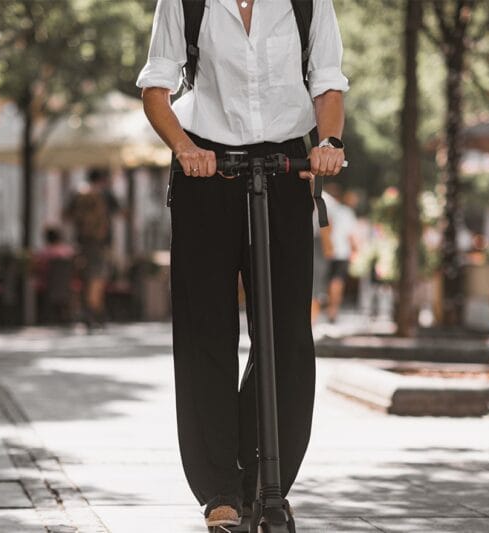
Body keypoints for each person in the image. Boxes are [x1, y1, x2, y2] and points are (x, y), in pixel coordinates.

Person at [137, 0, 348, 528]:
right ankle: (218, 491)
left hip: (285, 167)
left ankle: (264, 481)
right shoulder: (185, 3)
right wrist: (184, 148)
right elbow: (156, 88)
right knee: (205, 331)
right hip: (205, 168)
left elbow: (327, 81)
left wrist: (328, 143)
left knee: (286, 338)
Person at [64, 168, 120, 327]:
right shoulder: (105, 194)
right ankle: (95, 310)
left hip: (82, 242)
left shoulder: (78, 193)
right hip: (101, 242)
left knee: (86, 276)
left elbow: (66, 215)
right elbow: (121, 213)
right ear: (102, 179)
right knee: (98, 276)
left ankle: (89, 310)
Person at [323, 183, 358, 323]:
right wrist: (355, 250)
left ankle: (328, 308)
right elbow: (351, 235)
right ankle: (333, 310)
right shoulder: (346, 212)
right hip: (341, 252)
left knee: (328, 281)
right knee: (337, 282)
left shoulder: (328, 209)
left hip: (326, 251)